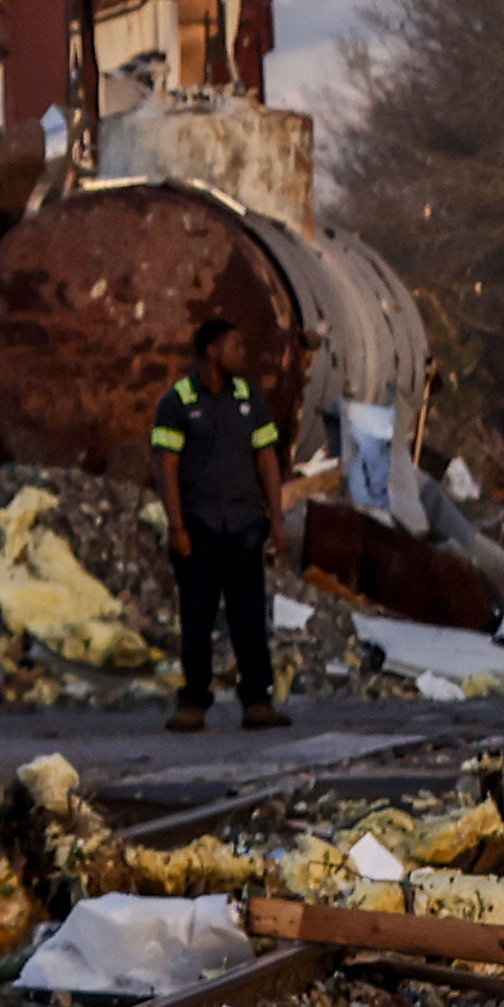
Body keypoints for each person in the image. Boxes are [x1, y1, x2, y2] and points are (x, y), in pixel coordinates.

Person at [153, 314, 294, 735]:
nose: (243, 354)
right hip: (199, 526)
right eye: (235, 346)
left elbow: (267, 460)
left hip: (245, 524)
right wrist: (176, 526)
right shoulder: (177, 402)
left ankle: (257, 701)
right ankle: (194, 701)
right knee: (196, 615)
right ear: (212, 351)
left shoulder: (250, 398)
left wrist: (277, 519)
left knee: (249, 615)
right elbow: (166, 466)